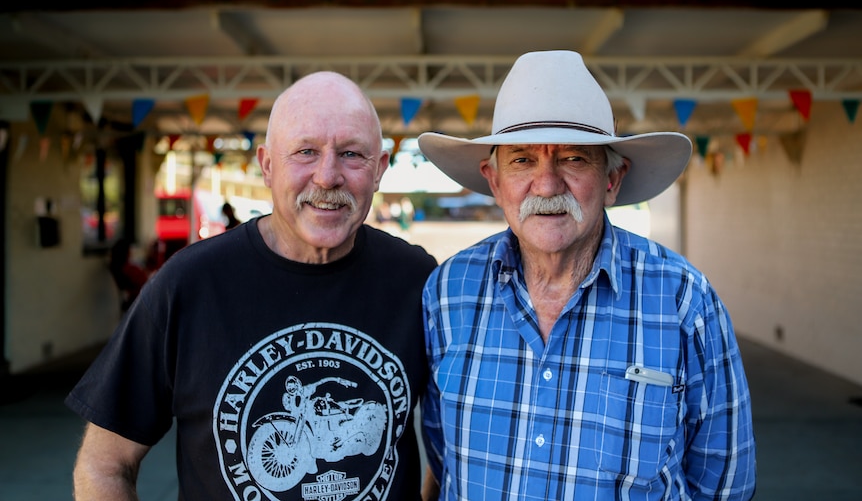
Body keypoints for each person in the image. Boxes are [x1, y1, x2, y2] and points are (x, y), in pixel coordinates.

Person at [66, 71, 438, 500]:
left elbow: (452, 446)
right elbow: (104, 464)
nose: (327, 176)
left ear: (379, 170)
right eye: (305, 152)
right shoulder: (188, 283)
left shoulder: (417, 278)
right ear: (266, 165)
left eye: (352, 154)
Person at [417, 50, 756, 500]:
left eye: (574, 159)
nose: (547, 184)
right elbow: (444, 463)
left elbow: (725, 486)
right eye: (522, 160)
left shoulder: (684, 302)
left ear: (612, 180)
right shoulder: (447, 292)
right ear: (494, 181)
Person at [107, 238, 149, 313]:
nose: (131, 252)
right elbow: (143, 282)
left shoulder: (117, 268)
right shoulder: (130, 270)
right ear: (126, 252)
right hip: (139, 303)